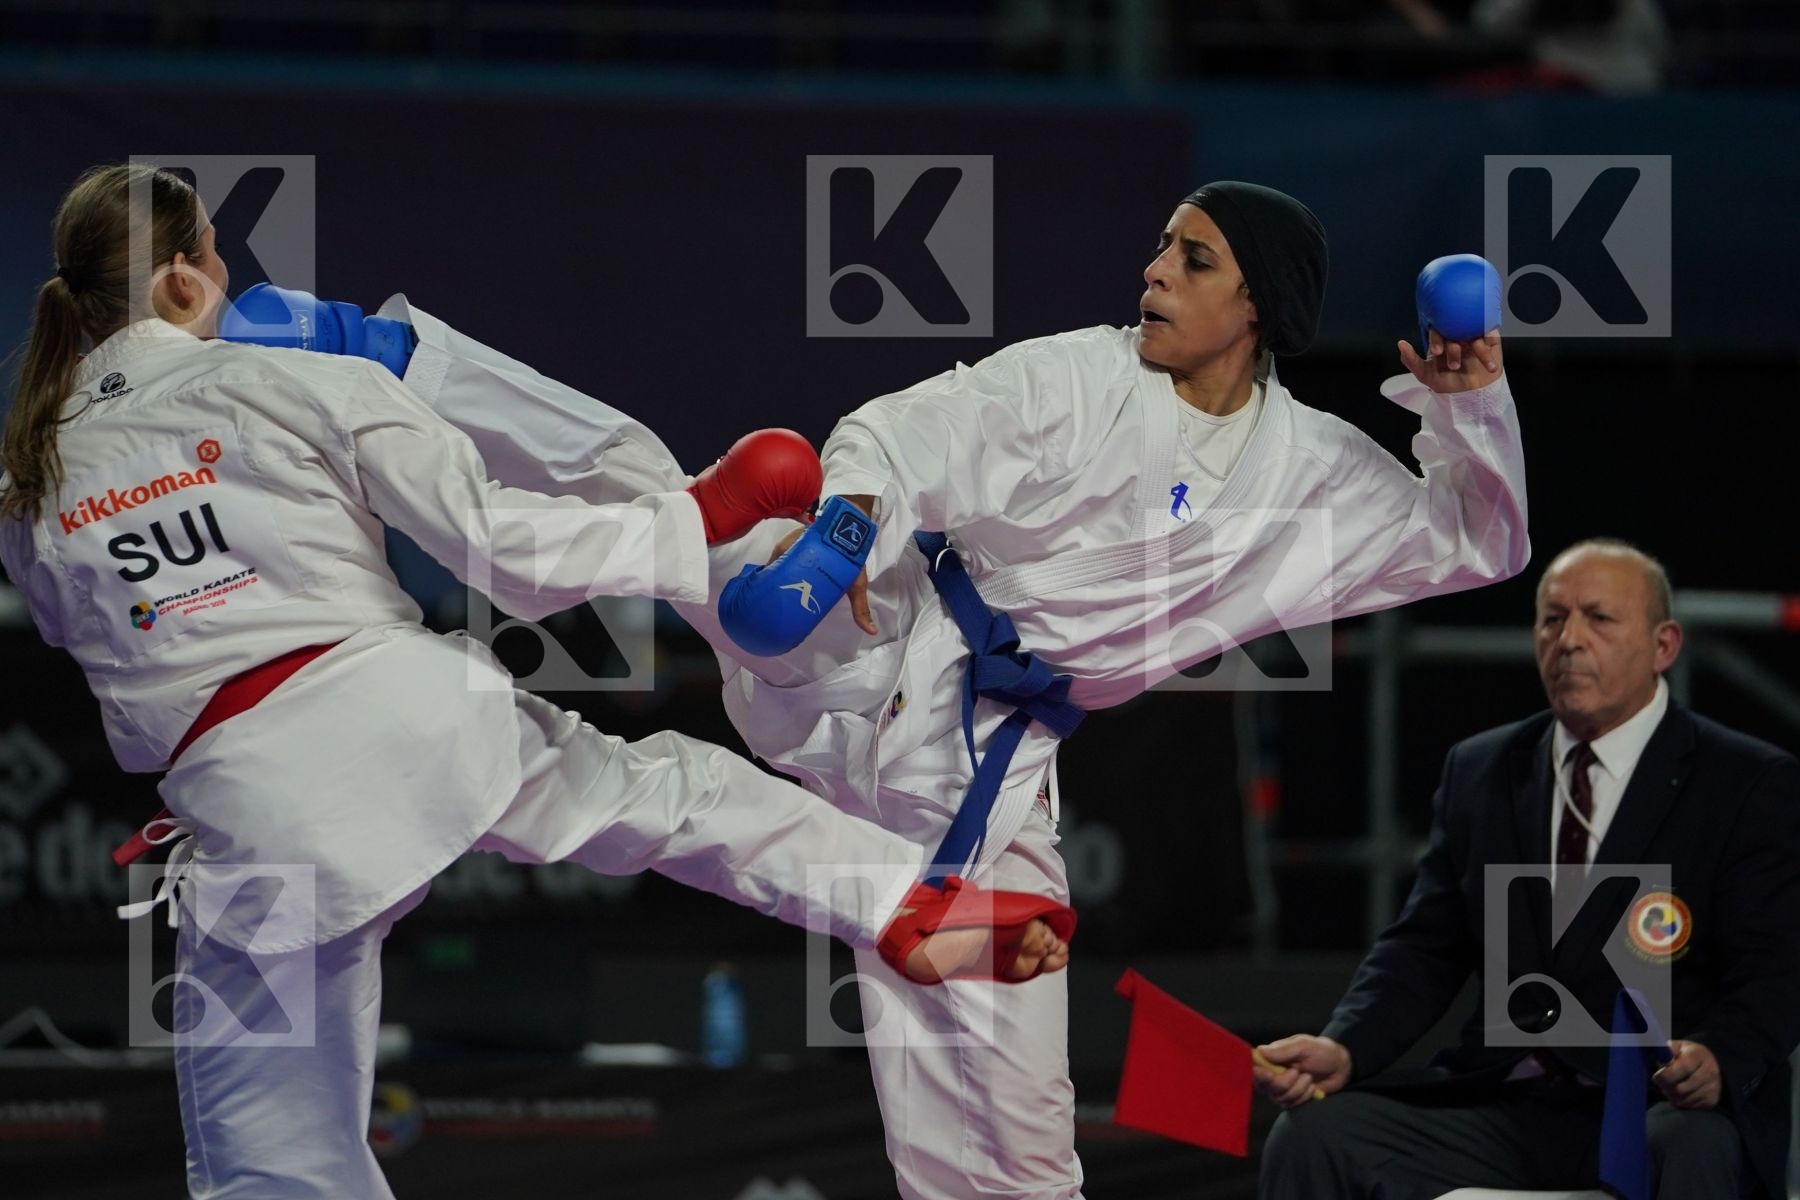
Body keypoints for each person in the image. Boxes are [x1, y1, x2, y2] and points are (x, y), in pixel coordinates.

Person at [342, 179, 1529, 1199]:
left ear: (1255, 305)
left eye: (1192, 257)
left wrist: (1469, 403)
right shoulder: (1083, 375)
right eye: (1164, 245)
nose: (1155, 269)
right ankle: (408, 361)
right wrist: (841, 540)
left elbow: (1480, 542)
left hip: (987, 783)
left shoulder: (1317, 475)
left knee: (1016, 1141)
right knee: (676, 508)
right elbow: (909, 431)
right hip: (886, 634)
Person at [0, 163, 1072, 1200]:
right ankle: (908, 900)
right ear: (184, 279)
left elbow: (67, 626)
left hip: (242, 801)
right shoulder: (291, 378)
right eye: (220, 264)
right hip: (401, 714)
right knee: (675, 798)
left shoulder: (30, 475)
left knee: (270, 1152)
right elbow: (494, 546)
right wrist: (694, 521)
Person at [1256, 539, 1800, 1200]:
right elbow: (1424, 948)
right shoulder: (1481, 770)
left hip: (1661, 1109)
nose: (1569, 639)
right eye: (1552, 618)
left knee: (1689, 1150)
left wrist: (1719, 1057)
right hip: (1505, 1105)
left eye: (1598, 619)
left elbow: (1777, 968)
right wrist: (1345, 1047)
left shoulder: (1746, 781)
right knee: (1314, 1137)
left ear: (1664, 645)